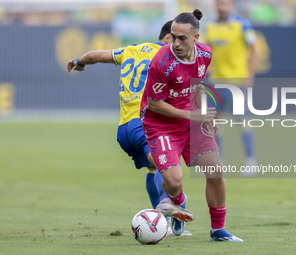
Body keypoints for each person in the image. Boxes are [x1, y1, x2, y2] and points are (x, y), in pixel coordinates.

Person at [67, 20, 191, 236]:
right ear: (168, 38)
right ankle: (171, 202)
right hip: (144, 123)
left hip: (124, 129)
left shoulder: (130, 50)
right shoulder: (166, 57)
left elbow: (95, 56)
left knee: (153, 167)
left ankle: (162, 223)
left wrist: (79, 62)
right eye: (178, 39)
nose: (181, 46)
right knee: (166, 162)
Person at [140, 9, 243, 241]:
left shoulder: (205, 54)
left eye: (182, 38)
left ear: (196, 38)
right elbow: (155, 105)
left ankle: (218, 230)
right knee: (174, 183)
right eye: (173, 37)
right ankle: (178, 204)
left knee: (216, 170)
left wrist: (206, 115)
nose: (175, 43)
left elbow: (195, 86)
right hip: (161, 126)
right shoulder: (162, 62)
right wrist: (191, 115)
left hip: (191, 121)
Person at [205, 0, 259, 175]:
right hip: (216, 81)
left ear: (231, 6)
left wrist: (249, 76)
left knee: (242, 120)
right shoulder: (210, 27)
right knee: (216, 121)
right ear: (215, 6)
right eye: (219, 4)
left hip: (236, 81)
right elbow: (205, 53)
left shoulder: (242, 25)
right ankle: (219, 161)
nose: (222, 7)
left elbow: (255, 51)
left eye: (226, 4)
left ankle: (251, 161)